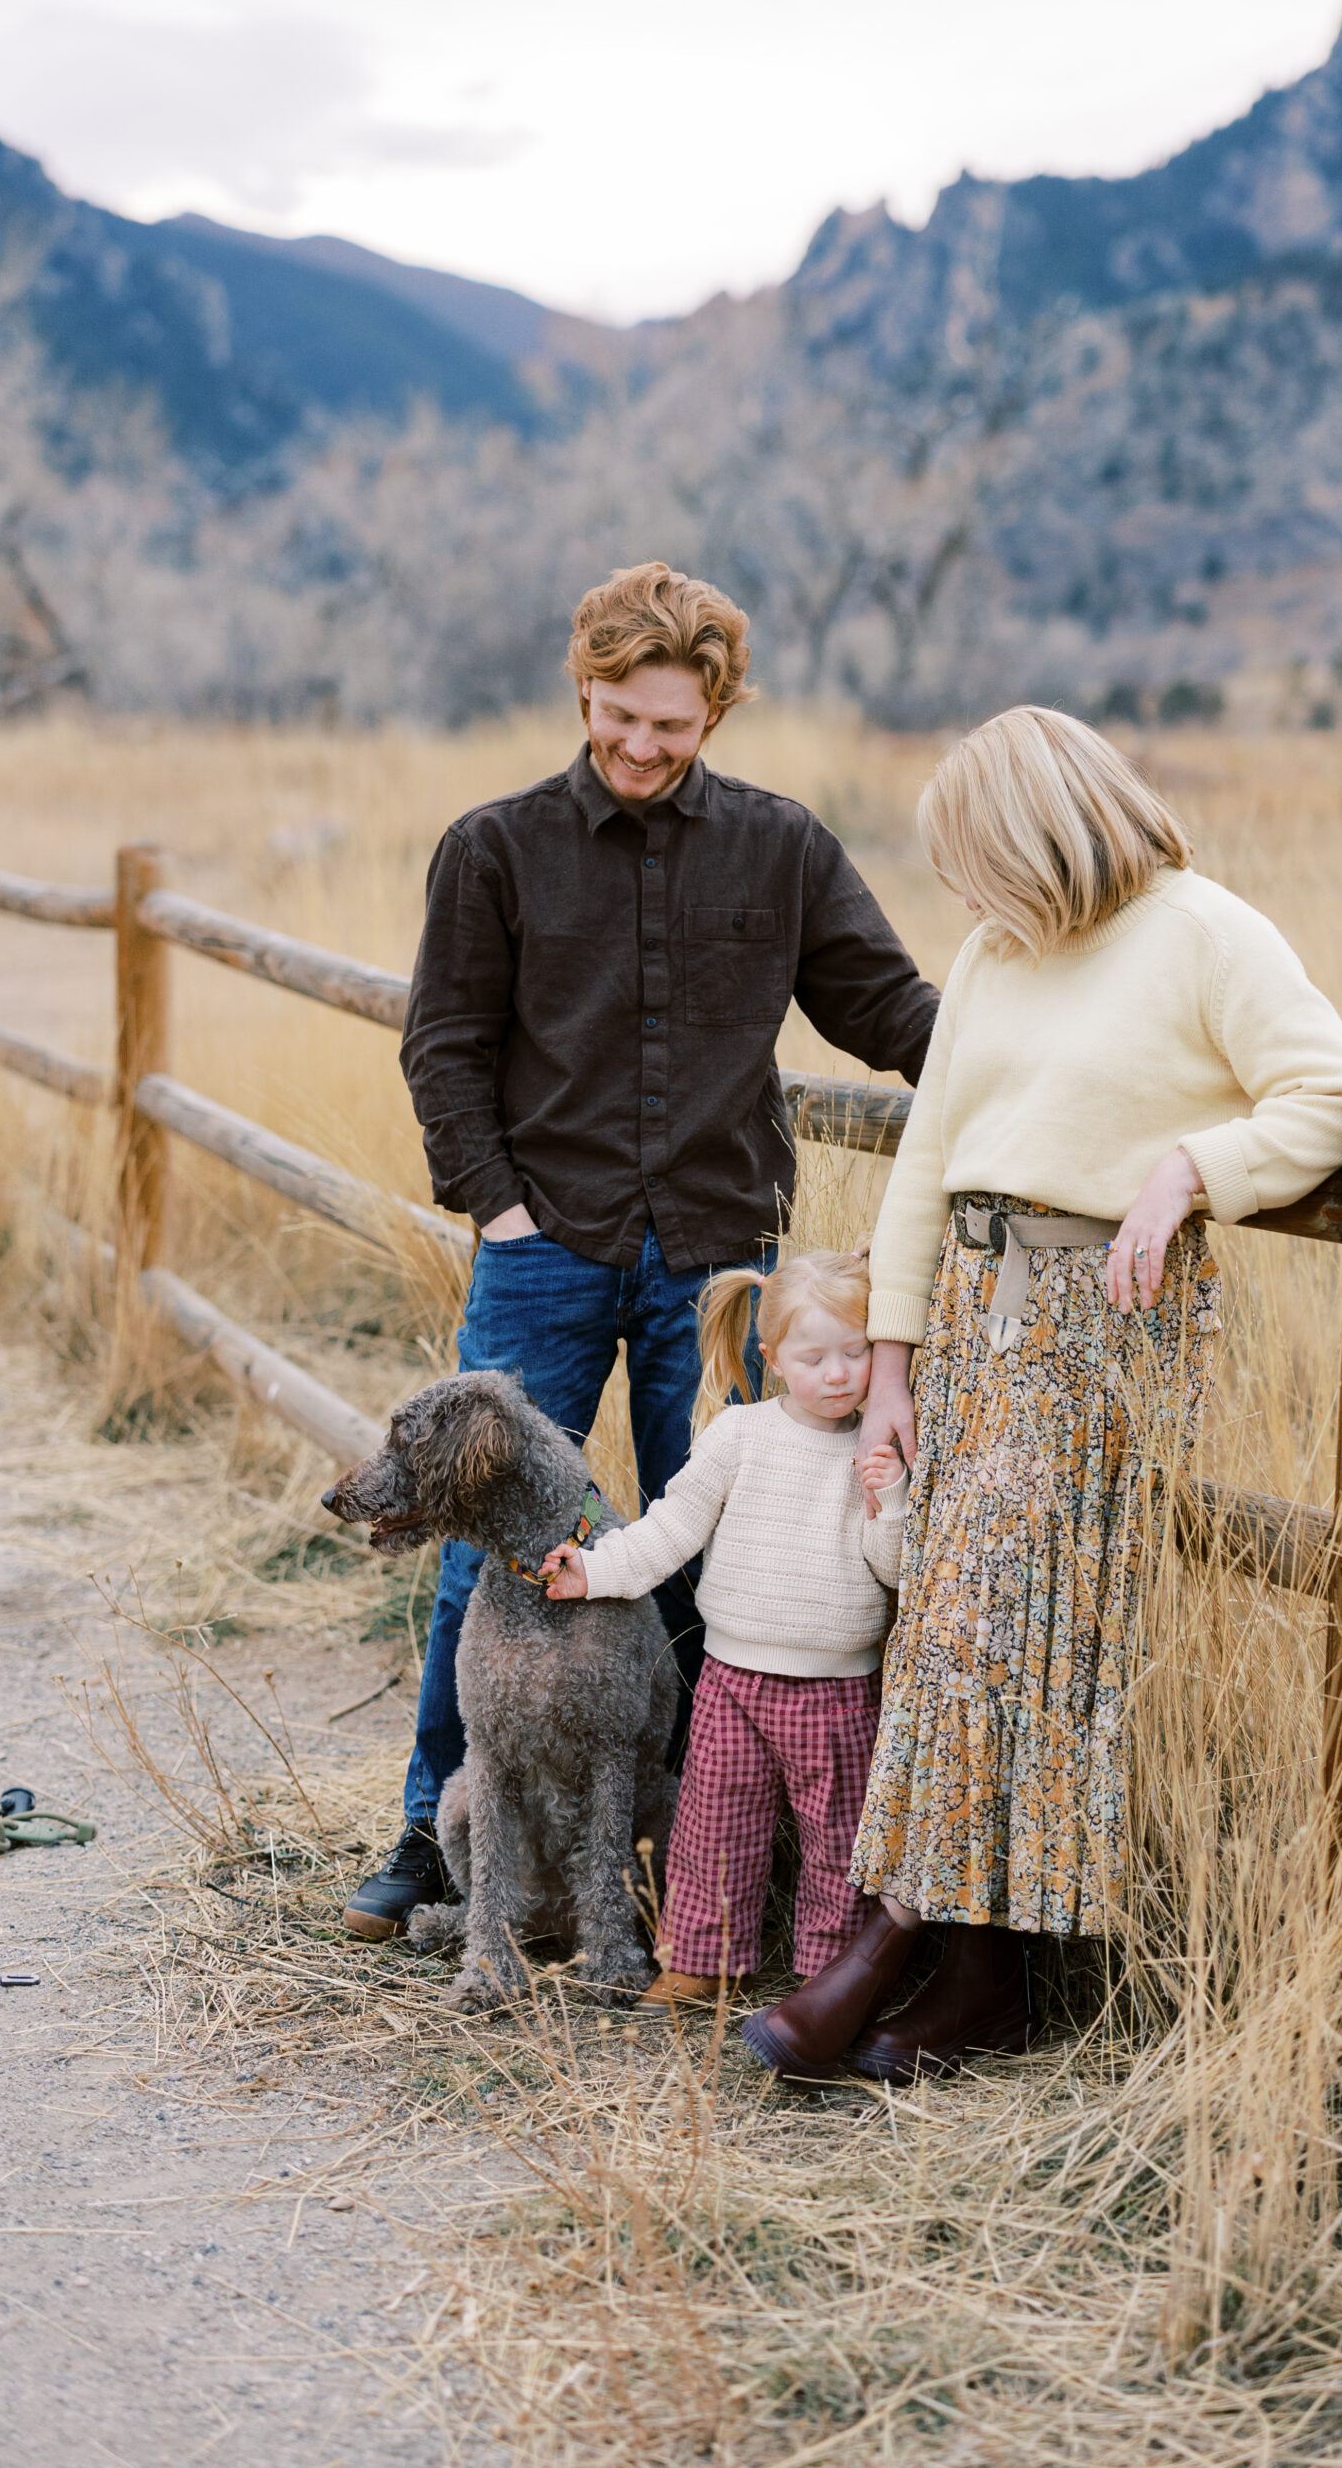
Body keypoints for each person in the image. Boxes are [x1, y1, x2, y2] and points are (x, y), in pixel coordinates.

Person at [741, 707, 1342, 2084]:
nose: (962, 894)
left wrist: (1191, 1169)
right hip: (967, 1319)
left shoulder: (1204, 932)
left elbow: (1334, 1094)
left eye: (973, 859)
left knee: (982, 1634)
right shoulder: (994, 952)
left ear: (1036, 830)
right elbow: (927, 1165)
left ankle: (873, 1960)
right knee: (962, 1640)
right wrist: (893, 1366)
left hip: (1097, 1332)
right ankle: (985, 1983)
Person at [342, 566, 940, 1942]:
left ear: (717, 711)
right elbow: (442, 1045)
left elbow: (888, 1008)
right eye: (618, 714)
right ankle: (437, 1840)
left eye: (670, 725)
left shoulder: (783, 848)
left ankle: (692, 1864)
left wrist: (1020, 1064)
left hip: (718, 1260)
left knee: (710, 1542)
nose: (639, 746)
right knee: (480, 1557)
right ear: (584, 689)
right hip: (542, 1248)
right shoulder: (491, 848)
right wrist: (498, 1208)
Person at [541, 1248, 906, 2005]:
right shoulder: (738, 1436)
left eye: (856, 1352)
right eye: (815, 1358)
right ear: (771, 1358)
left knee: (838, 1844)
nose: (838, 1374)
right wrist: (595, 1571)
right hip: (732, 1679)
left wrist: (893, 1500)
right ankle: (704, 1963)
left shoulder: (877, 1450)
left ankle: (827, 1980)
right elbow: (671, 1529)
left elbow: (894, 1570)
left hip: (838, 1690)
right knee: (715, 1828)